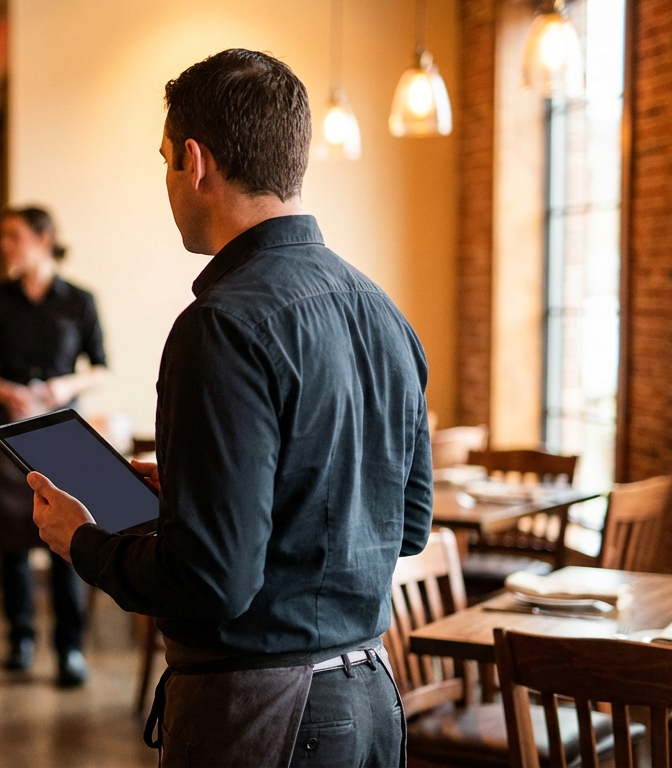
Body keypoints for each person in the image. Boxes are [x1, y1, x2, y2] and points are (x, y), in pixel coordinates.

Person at [28, 50, 433, 766]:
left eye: (164, 160)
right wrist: (198, 489)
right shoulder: (384, 310)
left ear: (195, 161)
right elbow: (407, 525)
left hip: (266, 715)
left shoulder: (221, 324)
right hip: (371, 698)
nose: (167, 182)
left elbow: (213, 581)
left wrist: (84, 542)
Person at [0, 206, 108, 688]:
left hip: (63, 434)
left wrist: (66, 387)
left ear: (43, 238)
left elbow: (101, 366)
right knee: (11, 543)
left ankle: (70, 649)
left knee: (70, 543)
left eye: (13, 237)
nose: (5, 246)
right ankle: (19, 639)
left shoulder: (80, 300)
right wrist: (3, 389)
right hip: (9, 433)